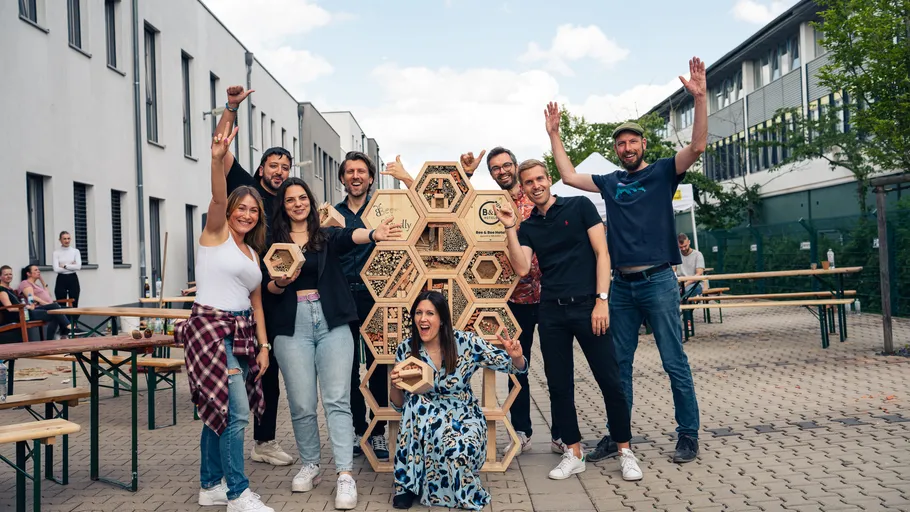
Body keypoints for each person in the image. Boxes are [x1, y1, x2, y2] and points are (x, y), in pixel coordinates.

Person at [544, 57, 706, 464]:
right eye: (621, 143)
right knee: (618, 368)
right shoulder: (611, 181)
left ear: (643, 145)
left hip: (658, 282)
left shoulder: (665, 172)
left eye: (633, 141)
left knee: (673, 361)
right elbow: (565, 175)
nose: (627, 147)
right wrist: (554, 135)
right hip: (621, 286)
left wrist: (700, 99)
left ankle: (688, 434)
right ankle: (621, 438)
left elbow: (698, 146)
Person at [496, 159, 642, 482]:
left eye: (540, 179)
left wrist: (602, 301)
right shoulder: (529, 225)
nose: (535, 186)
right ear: (523, 187)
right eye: (529, 182)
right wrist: (509, 226)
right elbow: (522, 268)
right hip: (552, 312)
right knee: (559, 385)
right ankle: (573, 452)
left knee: (611, 382)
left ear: (549, 179)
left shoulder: (580, 207)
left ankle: (625, 450)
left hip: (590, 307)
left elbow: (603, 254)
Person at [262, 177, 401, 510]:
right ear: (282, 205)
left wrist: (374, 234)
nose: (298, 203)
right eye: (290, 199)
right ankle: (310, 464)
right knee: (301, 402)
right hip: (290, 324)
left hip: (332, 321)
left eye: (302, 198)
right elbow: (265, 287)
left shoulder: (324, 235)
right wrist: (280, 283)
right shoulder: (269, 241)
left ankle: (344, 474)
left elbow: (349, 236)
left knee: (337, 399)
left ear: (310, 201)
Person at [176, 125, 274, 512]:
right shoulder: (214, 235)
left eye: (254, 210)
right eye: (241, 208)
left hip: (243, 333)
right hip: (211, 331)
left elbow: (258, 303)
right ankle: (237, 493)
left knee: (216, 410)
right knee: (235, 413)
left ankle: (209, 486)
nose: (247, 215)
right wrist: (217, 159)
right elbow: (218, 195)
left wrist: (264, 346)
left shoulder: (252, 254)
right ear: (230, 211)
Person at [213, 85, 294, 467]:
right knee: (236, 372)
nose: (279, 172)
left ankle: (263, 443)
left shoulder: (291, 196)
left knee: (268, 368)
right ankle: (225, 443)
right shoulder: (246, 188)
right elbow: (221, 148)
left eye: (285, 168)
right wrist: (231, 108)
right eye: (273, 166)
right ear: (262, 169)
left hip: (274, 294)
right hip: (239, 294)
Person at [389, 290, 528, 510]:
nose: (422, 319)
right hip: (423, 417)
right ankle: (406, 486)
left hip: (462, 415)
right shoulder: (406, 349)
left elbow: (513, 367)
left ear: (442, 319)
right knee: (414, 404)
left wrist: (516, 356)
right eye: (418, 313)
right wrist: (394, 384)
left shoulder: (465, 342)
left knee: (457, 453)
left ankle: (449, 483)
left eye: (430, 313)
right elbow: (398, 405)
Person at [460, 147, 549, 455]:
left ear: (515, 166)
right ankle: (521, 429)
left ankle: (563, 433)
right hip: (512, 298)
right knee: (516, 364)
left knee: (556, 364)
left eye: (506, 165)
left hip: (548, 294)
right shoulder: (489, 203)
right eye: (495, 168)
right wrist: (466, 175)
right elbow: (459, 210)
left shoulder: (534, 199)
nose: (502, 171)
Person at [336, 152, 414, 462]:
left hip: (379, 297)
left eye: (361, 171)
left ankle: (379, 430)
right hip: (341, 297)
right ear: (342, 178)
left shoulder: (386, 208)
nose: (356, 176)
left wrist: (406, 176)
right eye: (350, 171)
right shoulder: (332, 214)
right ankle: (359, 429)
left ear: (371, 178)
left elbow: (421, 206)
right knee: (347, 367)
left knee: (380, 364)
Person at [0, 265, 68, 340]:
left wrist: (28, 305)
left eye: (10, 274)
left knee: (54, 307)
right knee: (54, 314)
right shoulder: (2, 291)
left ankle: (65, 328)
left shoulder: (9, 289)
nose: (9, 276)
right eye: (6, 274)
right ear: (0, 276)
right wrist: (26, 307)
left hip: (25, 312)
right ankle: (64, 330)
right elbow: (10, 308)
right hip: (19, 316)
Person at [53, 231, 82, 326]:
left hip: (73, 278)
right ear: (60, 240)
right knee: (61, 303)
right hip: (61, 279)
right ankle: (64, 328)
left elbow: (78, 267)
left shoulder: (75, 251)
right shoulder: (56, 253)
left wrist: (64, 266)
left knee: (74, 303)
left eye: (68, 238)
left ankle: (74, 325)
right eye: (64, 238)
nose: (67, 240)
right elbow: (56, 269)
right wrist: (71, 265)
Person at [676, 233, 706, 298]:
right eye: (681, 247)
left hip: (696, 283)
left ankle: (686, 306)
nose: (683, 249)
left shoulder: (698, 255)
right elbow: (673, 271)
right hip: (681, 283)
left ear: (689, 242)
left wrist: (685, 284)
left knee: (685, 291)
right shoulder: (676, 255)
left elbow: (698, 274)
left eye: (685, 246)